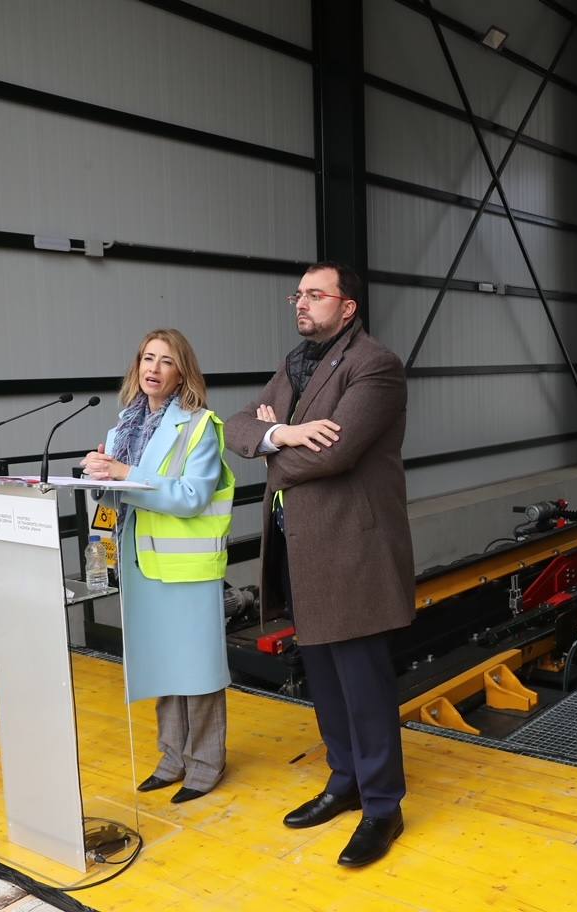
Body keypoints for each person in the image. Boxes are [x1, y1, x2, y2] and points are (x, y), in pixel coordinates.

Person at [224, 261, 414, 868]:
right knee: (324, 675)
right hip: (300, 546)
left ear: (347, 306)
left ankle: (384, 805)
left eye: (314, 294)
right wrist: (283, 435)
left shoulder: (374, 366)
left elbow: (336, 454)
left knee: (363, 680)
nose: (300, 303)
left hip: (350, 547)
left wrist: (273, 440)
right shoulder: (293, 365)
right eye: (297, 295)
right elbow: (234, 427)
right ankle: (345, 779)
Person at [81, 329, 235, 804]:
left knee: (198, 668)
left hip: (186, 568)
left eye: (166, 361)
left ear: (182, 372)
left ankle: (206, 764)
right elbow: (113, 500)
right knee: (164, 665)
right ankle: (171, 758)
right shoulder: (120, 428)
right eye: (148, 359)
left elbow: (192, 496)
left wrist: (126, 474)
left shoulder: (199, 426)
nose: (153, 368)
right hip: (139, 561)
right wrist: (94, 475)